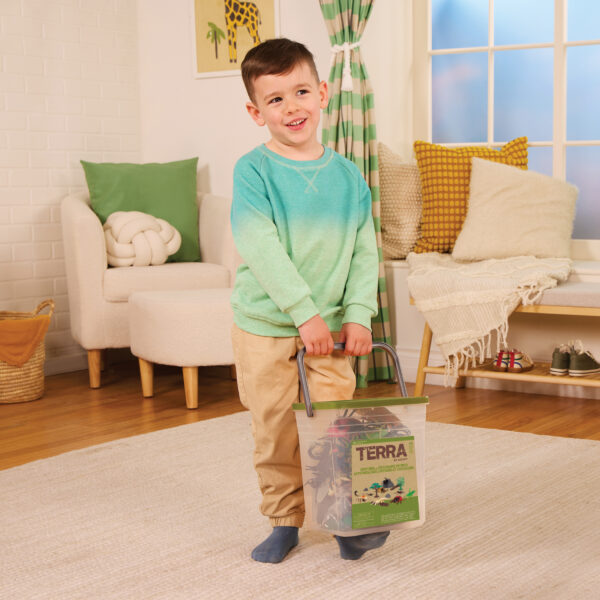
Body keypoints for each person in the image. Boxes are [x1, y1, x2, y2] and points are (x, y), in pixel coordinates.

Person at [230, 38, 387, 563]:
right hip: (266, 324)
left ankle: (346, 521)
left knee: (336, 423)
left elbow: (366, 250)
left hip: (335, 331)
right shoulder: (253, 172)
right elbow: (261, 248)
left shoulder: (347, 176)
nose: (291, 106)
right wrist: (305, 314)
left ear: (322, 93)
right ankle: (284, 519)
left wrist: (360, 313)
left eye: (301, 91)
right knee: (274, 426)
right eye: (275, 99)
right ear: (256, 113)